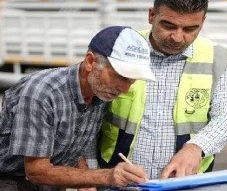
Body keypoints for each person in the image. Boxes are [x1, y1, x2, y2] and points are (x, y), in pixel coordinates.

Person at [93, 0, 227, 180]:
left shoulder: (220, 58)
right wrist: (91, 173)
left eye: (190, 29)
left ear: (203, 21)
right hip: (116, 180)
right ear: (151, 15)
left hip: (185, 182)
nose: (177, 37)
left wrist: (196, 148)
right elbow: (86, 115)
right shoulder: (121, 48)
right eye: (168, 25)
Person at [0, 26, 156, 190]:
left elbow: (71, 145)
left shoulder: (101, 92)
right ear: (90, 62)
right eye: (121, 76)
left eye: (132, 80)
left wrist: (86, 183)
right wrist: (106, 176)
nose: (124, 89)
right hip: (11, 181)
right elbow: (36, 171)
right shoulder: (43, 93)